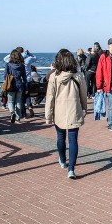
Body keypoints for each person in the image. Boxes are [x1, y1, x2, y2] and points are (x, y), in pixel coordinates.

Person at [45, 49, 88, 179]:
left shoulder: (54, 77)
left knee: (60, 137)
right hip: (74, 110)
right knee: (73, 140)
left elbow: (50, 97)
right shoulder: (78, 76)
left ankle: (63, 160)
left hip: (59, 112)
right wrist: (84, 109)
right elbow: (83, 95)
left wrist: (48, 116)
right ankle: (71, 169)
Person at [5, 49, 28, 123]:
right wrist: (26, 87)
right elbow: (24, 77)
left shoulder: (8, 65)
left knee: (10, 101)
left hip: (11, 85)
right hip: (19, 84)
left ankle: (12, 113)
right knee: (18, 102)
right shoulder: (22, 66)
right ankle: (18, 118)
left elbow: (5, 75)